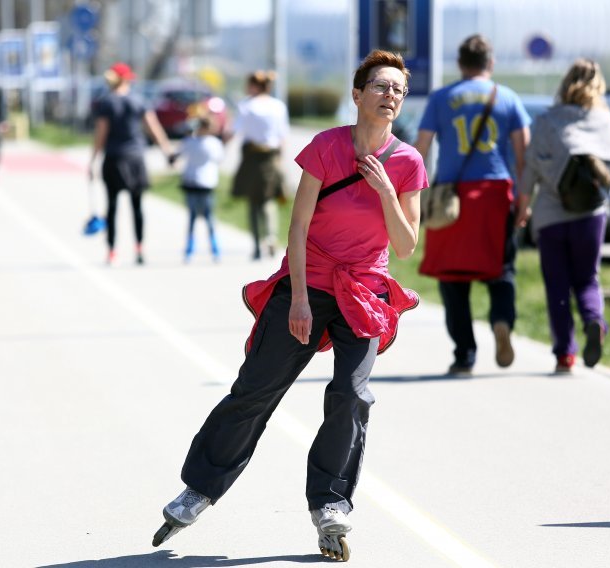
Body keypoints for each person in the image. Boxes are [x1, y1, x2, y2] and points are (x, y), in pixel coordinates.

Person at [153, 50, 428, 561]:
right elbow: (298, 228)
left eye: (398, 89)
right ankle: (200, 489)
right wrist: (298, 298)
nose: (390, 95)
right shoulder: (326, 147)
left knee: (352, 394)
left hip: (365, 290)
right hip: (311, 281)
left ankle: (330, 505)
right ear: (358, 94)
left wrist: (387, 191)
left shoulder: (408, 162)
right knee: (256, 388)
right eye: (381, 86)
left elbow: (407, 245)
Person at [414, 34, 531, 375]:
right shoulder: (508, 97)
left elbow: (420, 149)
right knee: (502, 269)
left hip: (452, 197)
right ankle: (501, 321)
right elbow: (523, 155)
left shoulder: (441, 98)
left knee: (452, 277)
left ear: (461, 65)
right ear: (490, 64)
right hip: (495, 194)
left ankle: (464, 354)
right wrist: (524, 200)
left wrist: (414, 197)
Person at [516, 59, 610, 373]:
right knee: (588, 278)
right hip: (590, 214)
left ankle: (565, 353)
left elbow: (530, 170)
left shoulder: (548, 120)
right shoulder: (604, 120)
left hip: (550, 217)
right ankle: (594, 321)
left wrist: (523, 209)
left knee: (557, 285)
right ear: (598, 86)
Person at [88, 62, 173, 265]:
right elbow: (154, 127)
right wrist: (167, 151)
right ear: (127, 80)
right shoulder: (139, 101)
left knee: (112, 207)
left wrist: (92, 161)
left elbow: (101, 135)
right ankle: (139, 248)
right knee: (137, 207)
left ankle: (112, 251)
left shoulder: (106, 103)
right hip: (136, 158)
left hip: (114, 158)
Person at [230, 70, 290, 260]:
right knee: (268, 199)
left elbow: (236, 130)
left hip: (251, 156)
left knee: (253, 202)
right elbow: (283, 136)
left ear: (254, 86)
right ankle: (271, 237)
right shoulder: (277, 106)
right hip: (271, 156)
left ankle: (256, 245)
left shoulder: (247, 105)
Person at [170, 116, 226, 262]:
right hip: (206, 183)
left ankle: (191, 250)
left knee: (194, 217)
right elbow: (219, 159)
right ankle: (214, 250)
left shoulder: (190, 141)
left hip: (193, 182)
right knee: (208, 218)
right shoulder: (214, 143)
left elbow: (175, 155)